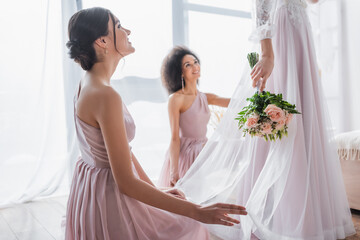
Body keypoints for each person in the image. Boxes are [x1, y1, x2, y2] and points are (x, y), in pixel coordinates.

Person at [176, 0, 356, 239]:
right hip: (283, 34)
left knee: (302, 121)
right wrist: (267, 52)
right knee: (280, 121)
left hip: (300, 30)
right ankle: (276, 216)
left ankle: (305, 216)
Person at [64, 7, 247, 240]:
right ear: (102, 41)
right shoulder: (105, 95)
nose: (127, 30)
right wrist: (198, 212)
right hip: (109, 198)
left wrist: (157, 188)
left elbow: (120, 154)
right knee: (190, 226)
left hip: (92, 192)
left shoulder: (87, 83)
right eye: (119, 26)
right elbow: (126, 183)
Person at [158, 46, 230, 187]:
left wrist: (257, 91)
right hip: (187, 154)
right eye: (188, 65)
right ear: (181, 72)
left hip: (203, 149)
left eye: (195, 62)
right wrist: (174, 170)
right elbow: (174, 138)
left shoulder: (205, 97)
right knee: (188, 200)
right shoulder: (176, 99)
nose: (195, 66)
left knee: (236, 148)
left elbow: (235, 102)